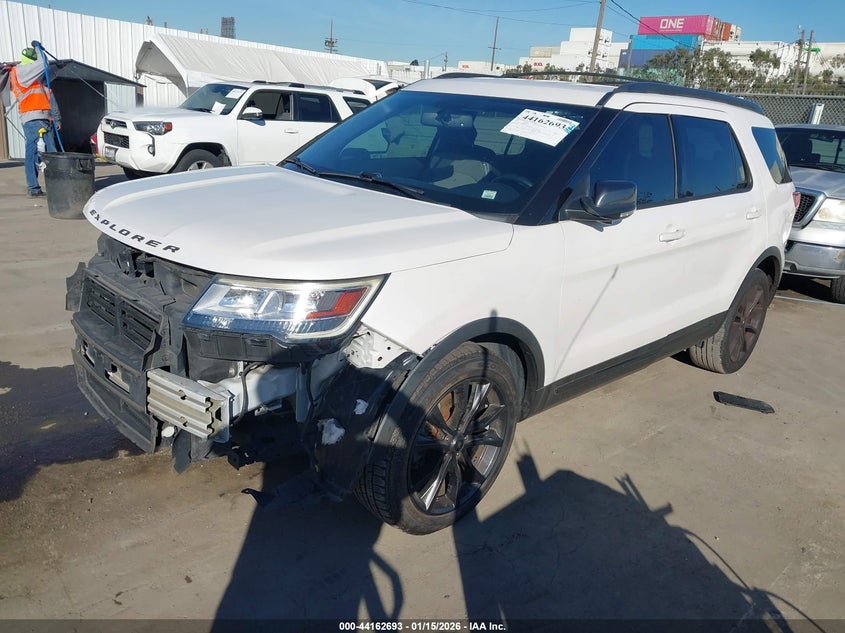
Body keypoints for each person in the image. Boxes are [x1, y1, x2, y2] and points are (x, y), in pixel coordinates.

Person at [9, 47, 60, 197]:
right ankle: (40, 188)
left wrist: (57, 68)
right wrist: (38, 49)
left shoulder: (31, 77)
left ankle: (51, 185)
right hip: (33, 118)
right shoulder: (22, 71)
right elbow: (43, 63)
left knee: (46, 154)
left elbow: (46, 75)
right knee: (40, 154)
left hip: (40, 118)